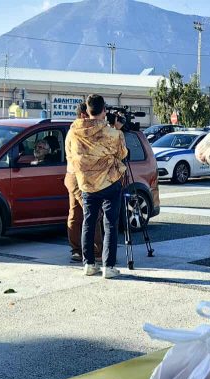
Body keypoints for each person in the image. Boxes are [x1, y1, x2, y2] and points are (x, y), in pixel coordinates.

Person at [65, 94, 128, 278]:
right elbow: (122, 153)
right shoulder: (111, 133)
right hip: (108, 182)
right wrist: (117, 129)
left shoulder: (74, 131)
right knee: (110, 223)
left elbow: (70, 155)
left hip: (86, 183)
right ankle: (108, 266)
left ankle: (89, 264)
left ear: (87, 109)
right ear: (104, 110)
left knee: (88, 222)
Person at [64, 103, 102, 263]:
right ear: (82, 116)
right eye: (89, 115)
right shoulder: (79, 130)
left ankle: (77, 250)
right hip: (80, 177)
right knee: (93, 213)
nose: (91, 118)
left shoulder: (73, 130)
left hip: (72, 176)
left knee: (76, 213)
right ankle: (96, 252)